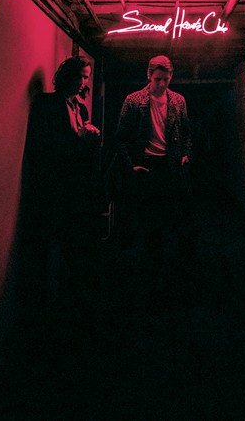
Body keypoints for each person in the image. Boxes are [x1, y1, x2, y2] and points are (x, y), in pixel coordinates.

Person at [22, 55, 101, 312]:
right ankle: (46, 305)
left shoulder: (81, 107)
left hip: (74, 188)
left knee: (71, 245)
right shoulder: (47, 104)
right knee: (48, 245)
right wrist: (81, 137)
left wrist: (89, 139)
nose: (83, 82)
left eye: (86, 77)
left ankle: (67, 303)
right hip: (53, 188)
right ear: (67, 76)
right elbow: (46, 148)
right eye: (79, 75)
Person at [114, 55, 192, 300]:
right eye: (158, 79)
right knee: (146, 223)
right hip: (146, 166)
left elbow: (187, 132)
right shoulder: (134, 100)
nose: (162, 84)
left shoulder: (178, 100)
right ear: (149, 76)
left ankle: (166, 279)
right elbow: (121, 138)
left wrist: (185, 154)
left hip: (169, 166)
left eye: (166, 79)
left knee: (170, 221)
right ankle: (148, 278)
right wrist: (132, 166)